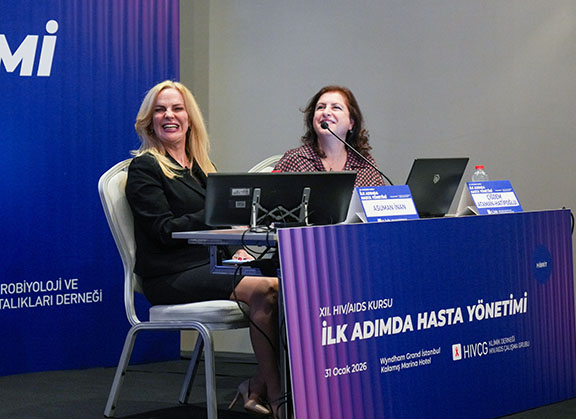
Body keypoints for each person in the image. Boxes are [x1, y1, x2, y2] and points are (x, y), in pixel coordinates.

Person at [125, 80, 282, 417]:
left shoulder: (202, 169)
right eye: (160, 110)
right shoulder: (145, 168)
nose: (169, 115)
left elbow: (220, 228)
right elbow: (163, 231)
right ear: (149, 121)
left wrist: (238, 248)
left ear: (189, 118)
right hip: (169, 275)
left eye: (177, 108)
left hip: (209, 266)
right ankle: (278, 397)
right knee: (267, 289)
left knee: (292, 282)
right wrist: (215, 216)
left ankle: (258, 385)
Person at [274, 85, 385, 187]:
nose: (326, 112)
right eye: (320, 107)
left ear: (351, 123)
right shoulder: (294, 160)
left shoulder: (365, 165)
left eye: (336, 107)